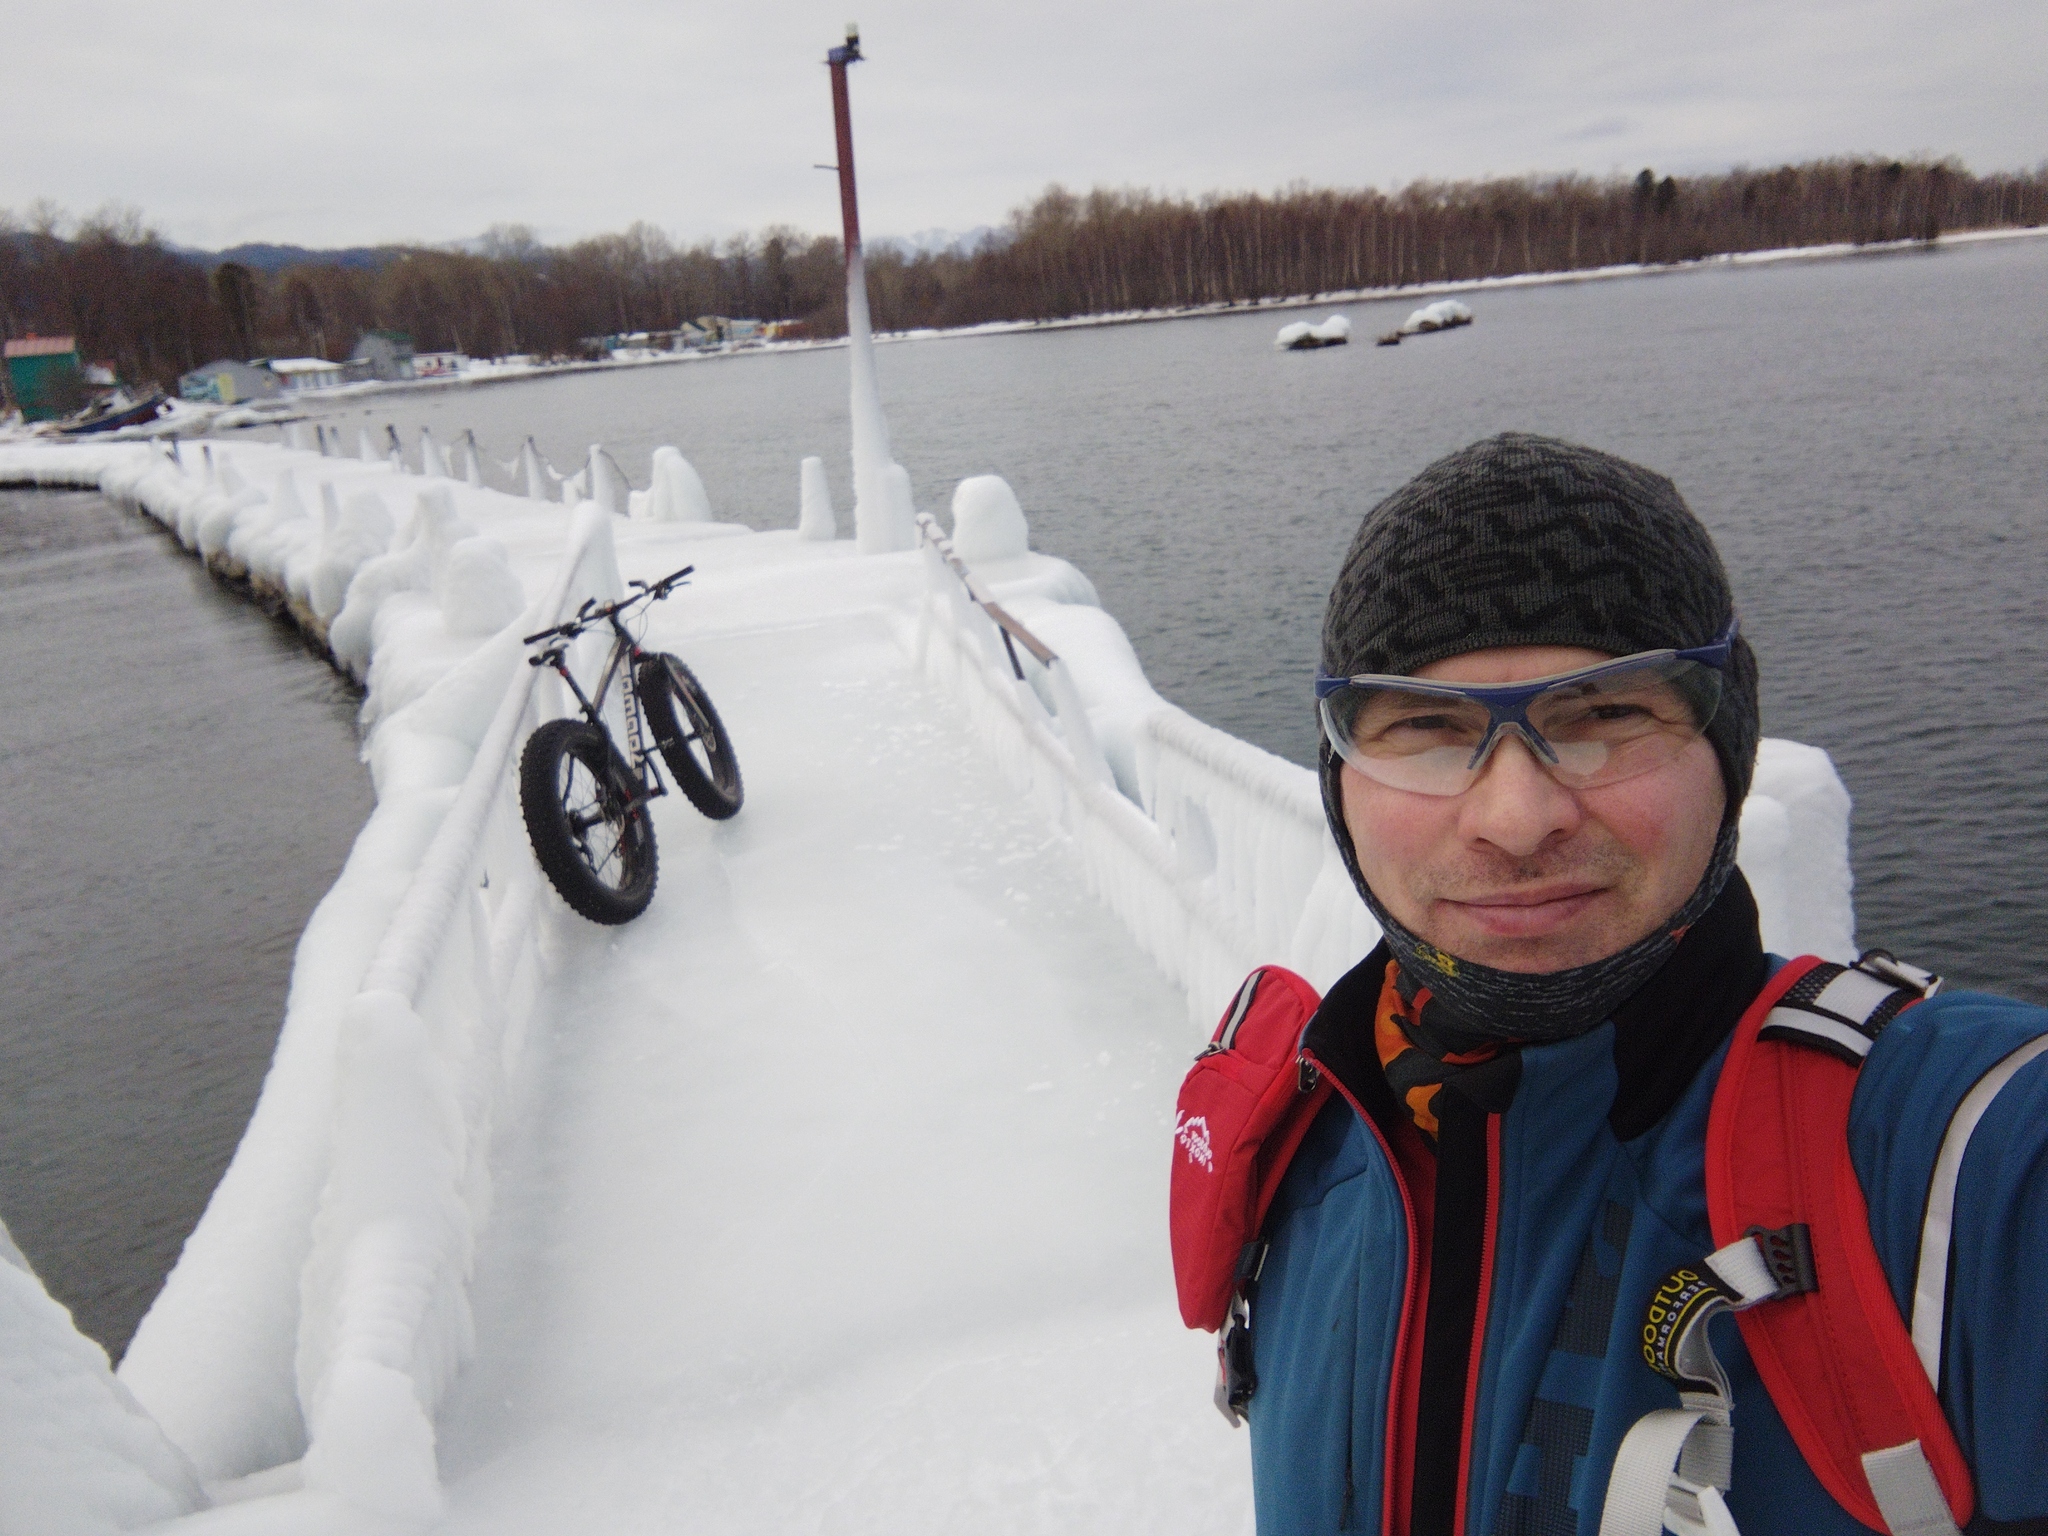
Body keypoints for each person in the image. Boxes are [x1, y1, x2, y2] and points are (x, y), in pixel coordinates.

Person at [1237, 434, 2047, 1536]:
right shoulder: (1306, 1133)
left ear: (1728, 743)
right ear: (1340, 775)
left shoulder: (1958, 1163)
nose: (1515, 820)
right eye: (1425, 729)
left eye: (1605, 716)